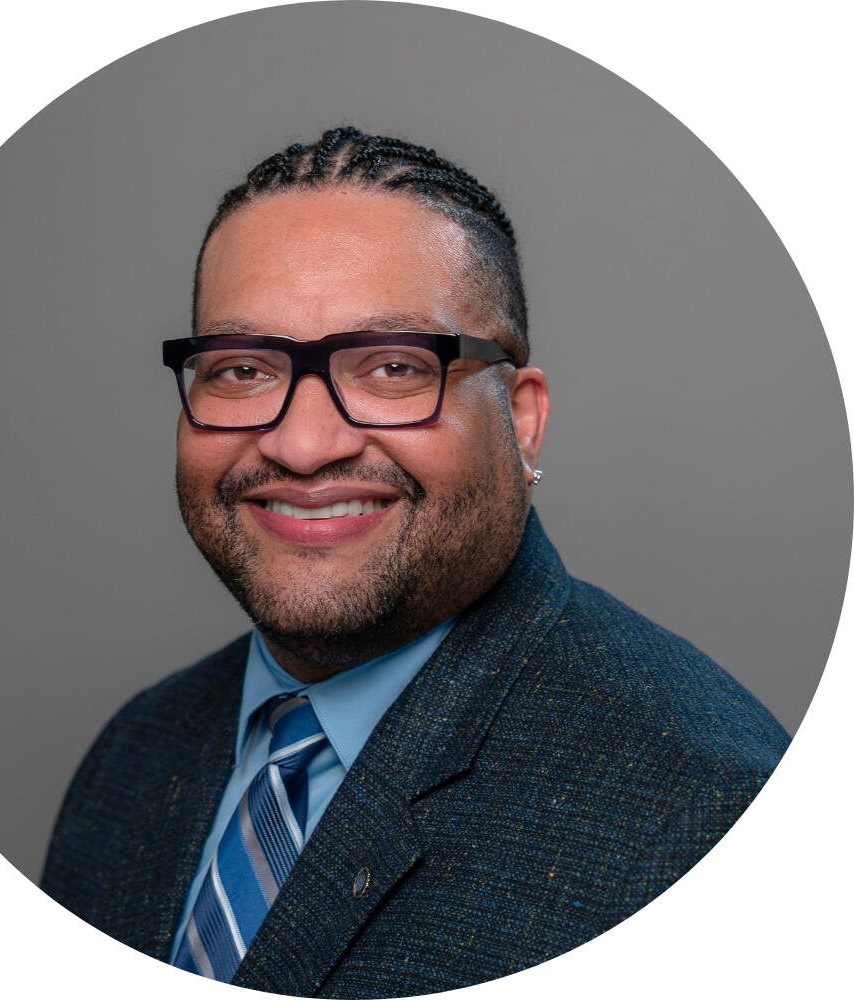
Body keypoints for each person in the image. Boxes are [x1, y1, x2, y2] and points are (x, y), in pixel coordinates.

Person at [41, 126, 789, 996]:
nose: (303, 444)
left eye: (393, 367)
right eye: (242, 369)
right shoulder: (134, 759)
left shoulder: (707, 815)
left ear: (524, 420)